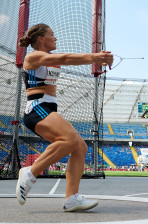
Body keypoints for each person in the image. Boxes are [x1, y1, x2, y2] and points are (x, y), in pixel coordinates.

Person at [16, 23, 113, 212]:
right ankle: (30, 172)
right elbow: (67, 57)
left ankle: (72, 199)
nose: (56, 38)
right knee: (69, 139)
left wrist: (99, 61)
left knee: (80, 146)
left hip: (48, 108)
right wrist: (96, 57)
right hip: (37, 107)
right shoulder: (33, 56)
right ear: (41, 39)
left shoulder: (51, 59)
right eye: (52, 35)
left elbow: (67, 59)